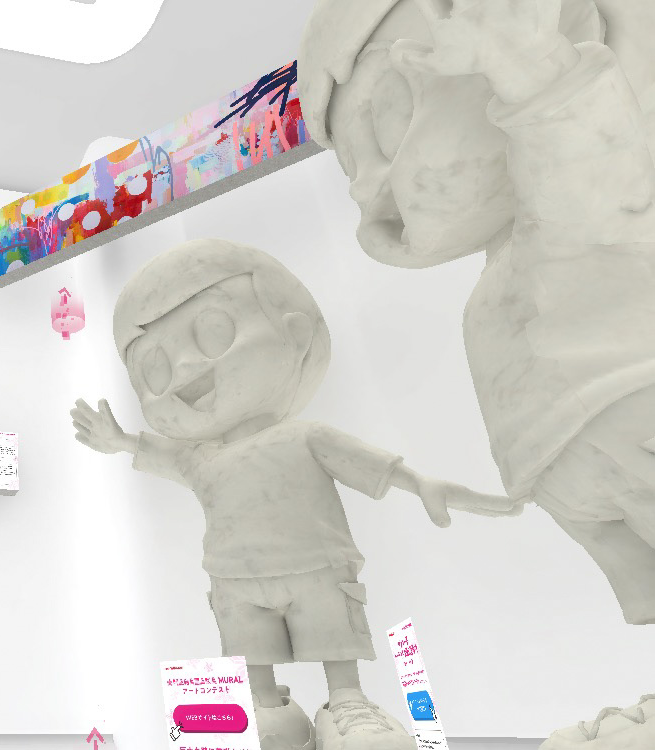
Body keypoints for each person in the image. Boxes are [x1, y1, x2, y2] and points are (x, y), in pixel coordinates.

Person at [299, 0, 655, 745]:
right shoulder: (513, 261)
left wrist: (531, 66)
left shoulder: (581, 195)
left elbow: (595, 169)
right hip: (577, 451)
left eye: (387, 125)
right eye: (351, 168)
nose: (367, 190)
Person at [71, 239, 515, 750]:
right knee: (250, 654)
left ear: (295, 333)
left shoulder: (304, 436)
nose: (188, 370)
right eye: (156, 369)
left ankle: (346, 703)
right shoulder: (198, 459)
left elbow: (365, 463)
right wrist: (121, 441)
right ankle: (264, 708)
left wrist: (419, 484)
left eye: (215, 333)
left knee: (333, 637)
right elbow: (161, 454)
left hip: (316, 566)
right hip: (233, 578)